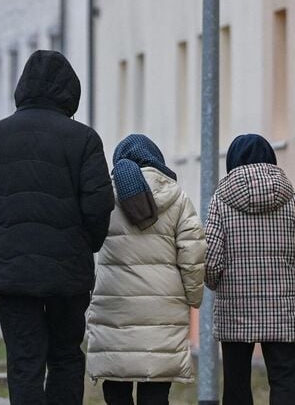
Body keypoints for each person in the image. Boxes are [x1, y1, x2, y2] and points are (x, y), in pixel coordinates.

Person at [0, 50, 114, 405]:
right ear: (69, 92)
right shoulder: (84, 139)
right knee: (65, 357)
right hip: (68, 272)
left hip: (14, 272)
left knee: (24, 362)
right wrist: (84, 244)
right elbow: (98, 205)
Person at [204, 134, 295, 405]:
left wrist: (218, 283)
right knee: (284, 380)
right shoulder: (291, 199)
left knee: (236, 385)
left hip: (235, 308)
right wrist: (292, 280)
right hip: (283, 310)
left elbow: (209, 260)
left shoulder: (220, 201)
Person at [85, 134, 205, 405]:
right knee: (155, 391)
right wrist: (193, 297)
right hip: (163, 307)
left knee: (116, 386)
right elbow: (193, 253)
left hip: (113, 305)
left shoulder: (104, 198)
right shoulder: (178, 199)